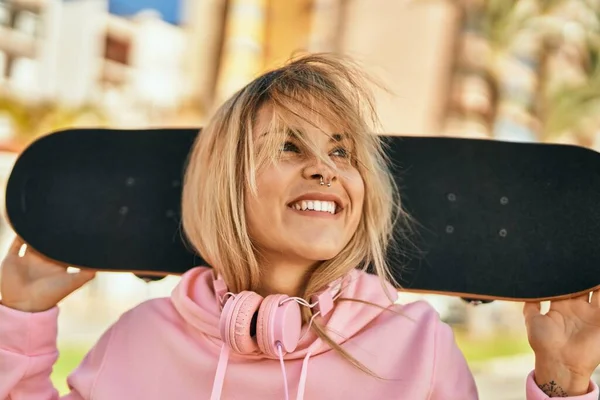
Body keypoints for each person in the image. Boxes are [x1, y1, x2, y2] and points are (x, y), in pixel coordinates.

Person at [0, 53, 599, 400]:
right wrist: (18, 320)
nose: (323, 168)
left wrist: (565, 383)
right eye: (288, 147)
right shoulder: (139, 338)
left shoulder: (419, 346)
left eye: (343, 153)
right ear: (225, 182)